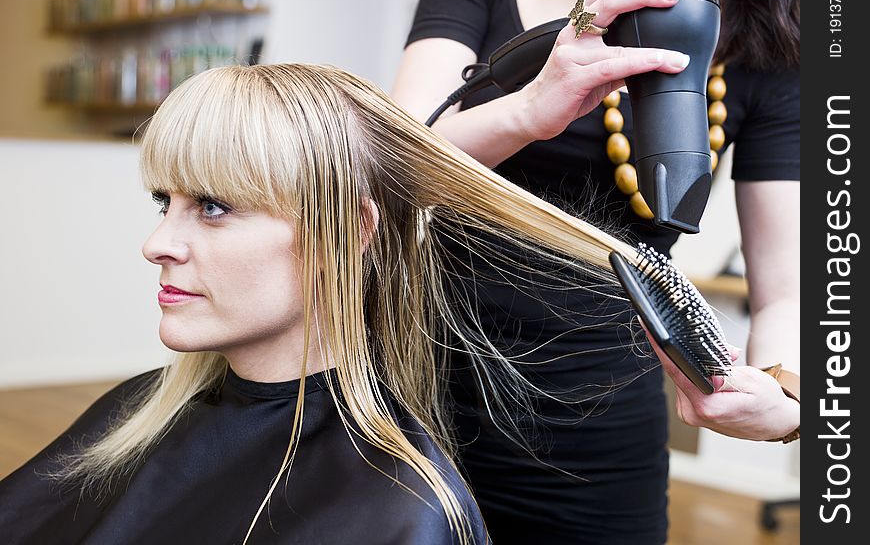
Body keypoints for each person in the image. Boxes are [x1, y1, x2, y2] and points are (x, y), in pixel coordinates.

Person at [0, 62, 666, 544]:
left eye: (213, 206)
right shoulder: (134, 413)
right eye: (164, 203)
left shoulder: (399, 510)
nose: (157, 244)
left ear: (349, 229)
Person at [391, 0, 800, 542]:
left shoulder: (770, 33)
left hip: (596, 432)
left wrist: (786, 402)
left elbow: (784, 294)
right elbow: (394, 165)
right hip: (411, 397)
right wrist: (528, 111)